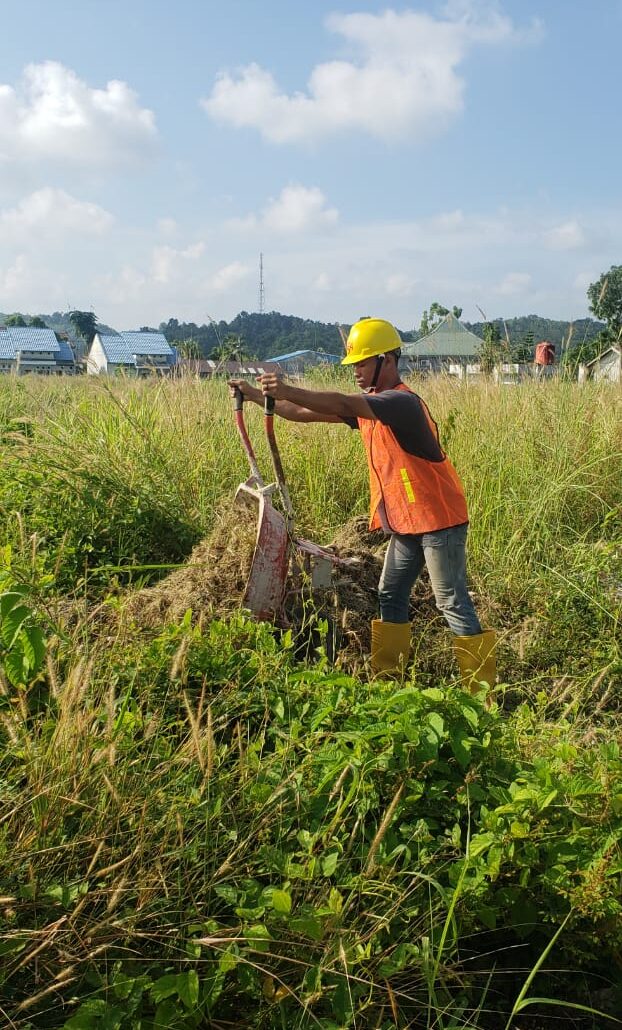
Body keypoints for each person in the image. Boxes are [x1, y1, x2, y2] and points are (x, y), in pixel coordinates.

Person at [230, 317, 495, 691]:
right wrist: (256, 396)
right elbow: (300, 413)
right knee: (390, 593)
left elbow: (340, 401)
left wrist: (286, 387)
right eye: (353, 364)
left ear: (387, 360)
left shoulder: (401, 402)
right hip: (407, 523)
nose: (355, 371)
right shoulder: (370, 408)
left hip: (439, 521)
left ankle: (482, 695)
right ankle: (389, 682)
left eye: (362, 362)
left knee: (450, 601)